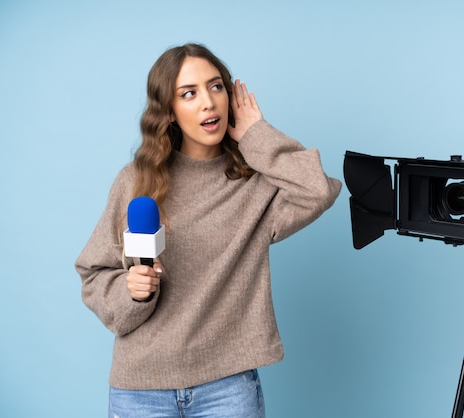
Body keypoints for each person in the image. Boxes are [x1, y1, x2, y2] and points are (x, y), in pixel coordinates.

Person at [75, 43, 341, 417]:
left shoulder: (257, 187)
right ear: (169, 111)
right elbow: (94, 274)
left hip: (228, 388)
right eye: (189, 93)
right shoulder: (135, 182)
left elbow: (318, 189)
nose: (208, 102)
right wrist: (131, 291)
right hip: (141, 391)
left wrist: (256, 134)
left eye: (216, 87)